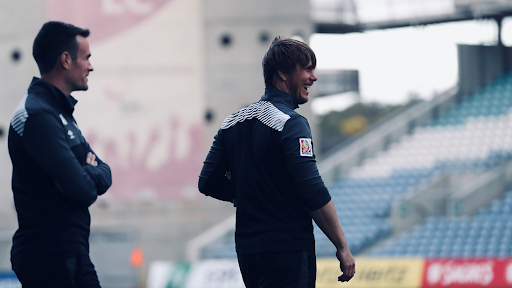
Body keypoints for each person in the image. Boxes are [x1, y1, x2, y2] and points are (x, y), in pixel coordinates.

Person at [198, 36, 355, 287]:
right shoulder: (291, 123)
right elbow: (312, 190)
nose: (313, 77)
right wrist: (342, 246)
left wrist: (246, 195)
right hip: (287, 248)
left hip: (248, 250)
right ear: (282, 73)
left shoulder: (231, 123)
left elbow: (207, 182)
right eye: (307, 69)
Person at [8, 21, 112, 287]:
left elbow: (104, 172)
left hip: (73, 254)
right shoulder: (37, 115)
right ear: (66, 60)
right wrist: (85, 173)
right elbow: (84, 191)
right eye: (87, 57)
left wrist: (84, 171)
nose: (91, 66)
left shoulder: (59, 113)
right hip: (49, 258)